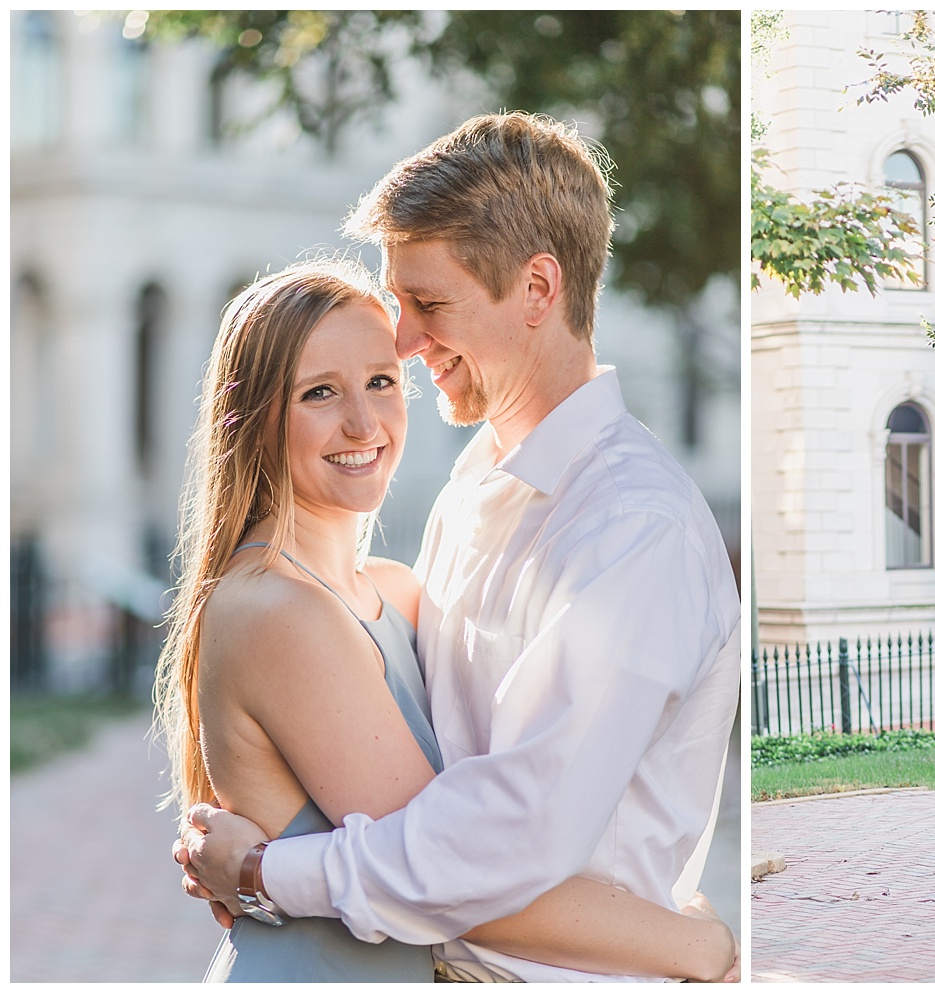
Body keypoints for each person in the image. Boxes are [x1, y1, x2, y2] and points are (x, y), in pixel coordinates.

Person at [176, 112, 742, 983]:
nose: (402, 343)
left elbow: (504, 839)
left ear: (538, 290)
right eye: (399, 304)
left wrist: (263, 871)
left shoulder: (631, 528)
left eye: (429, 305)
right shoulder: (474, 488)